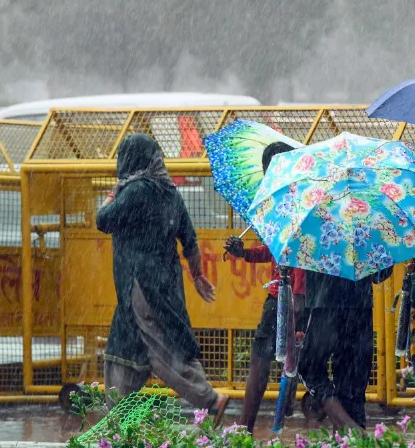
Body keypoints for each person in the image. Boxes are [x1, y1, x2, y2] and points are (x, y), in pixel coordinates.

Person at [96, 134, 229, 427]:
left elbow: (103, 220)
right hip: (161, 284)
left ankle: (208, 399)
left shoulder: (137, 191)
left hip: (141, 284)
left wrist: (111, 195)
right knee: (125, 344)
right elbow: (190, 242)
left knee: (160, 346)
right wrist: (197, 276)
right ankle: (119, 418)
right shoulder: (170, 192)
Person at [223, 141, 307, 434]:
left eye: (269, 170)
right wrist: (244, 253)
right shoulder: (280, 202)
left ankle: (246, 426)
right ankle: (255, 425)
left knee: (267, 359)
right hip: (281, 293)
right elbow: (274, 251)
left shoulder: (298, 202)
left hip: (292, 297)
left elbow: (300, 251)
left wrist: (297, 293)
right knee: (277, 359)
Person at [298, 267, 392, 431]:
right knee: (352, 390)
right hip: (359, 308)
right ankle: (353, 430)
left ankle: (351, 428)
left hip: (325, 303)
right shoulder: (372, 240)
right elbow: (380, 275)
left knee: (309, 368)